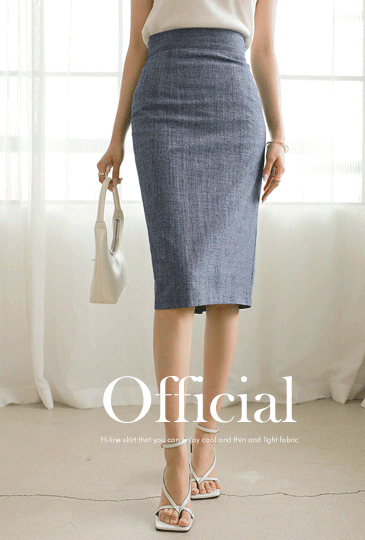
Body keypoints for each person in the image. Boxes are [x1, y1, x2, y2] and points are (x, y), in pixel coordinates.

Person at [97, 0, 287, 532]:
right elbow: (136, 44)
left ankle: (207, 440)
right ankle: (174, 457)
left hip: (234, 107)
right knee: (177, 283)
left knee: (227, 286)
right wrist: (115, 138)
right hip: (162, 103)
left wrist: (278, 135)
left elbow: (263, 48)